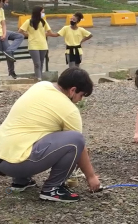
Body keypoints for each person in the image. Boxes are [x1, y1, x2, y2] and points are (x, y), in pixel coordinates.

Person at [0, 67, 101, 202]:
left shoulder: (41, 86)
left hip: (3, 158)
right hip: (16, 164)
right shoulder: (69, 109)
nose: (80, 100)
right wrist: (91, 177)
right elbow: (79, 148)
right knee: (75, 139)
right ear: (72, 90)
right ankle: (53, 189)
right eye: (81, 95)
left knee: (33, 132)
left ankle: (21, 181)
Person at [18, 6, 54, 81]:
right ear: (38, 13)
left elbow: (49, 32)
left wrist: (43, 34)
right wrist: (28, 35)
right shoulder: (29, 21)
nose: (43, 13)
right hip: (33, 45)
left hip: (43, 45)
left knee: (41, 62)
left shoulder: (43, 22)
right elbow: (20, 31)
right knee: (37, 63)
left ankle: (39, 77)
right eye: (42, 12)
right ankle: (38, 78)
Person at [0, 0, 25, 79]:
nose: (5, 4)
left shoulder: (1, 10)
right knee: (8, 53)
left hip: (3, 33)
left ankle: (10, 50)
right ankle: (11, 72)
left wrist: (4, 34)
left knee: (20, 36)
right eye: (5, 2)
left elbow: (3, 23)